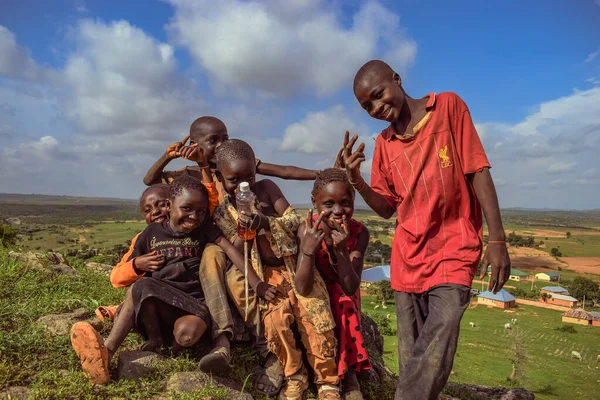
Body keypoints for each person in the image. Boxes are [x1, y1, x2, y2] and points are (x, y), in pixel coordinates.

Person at [345, 60, 511, 400]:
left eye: (378, 95)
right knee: (414, 363)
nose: (376, 108)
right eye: (367, 106)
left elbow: (477, 170)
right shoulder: (385, 145)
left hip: (455, 248)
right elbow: (387, 208)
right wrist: (356, 181)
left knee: (439, 338)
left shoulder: (447, 107)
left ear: (397, 79)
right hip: (408, 261)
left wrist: (497, 238)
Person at [70, 175, 278, 384]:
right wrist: (137, 264)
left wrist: (257, 284)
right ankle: (108, 351)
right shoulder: (151, 233)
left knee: (187, 336)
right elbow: (125, 272)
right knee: (141, 286)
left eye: (201, 211)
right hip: (159, 305)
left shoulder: (204, 229)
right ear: (170, 206)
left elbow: (231, 251)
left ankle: (171, 346)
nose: (194, 216)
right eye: (187, 208)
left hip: (194, 305)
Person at [211, 139, 340, 400]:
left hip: (296, 267)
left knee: (315, 318)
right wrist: (244, 228)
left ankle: (328, 382)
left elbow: (292, 219)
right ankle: (295, 376)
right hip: (266, 276)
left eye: (249, 176)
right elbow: (234, 248)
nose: (243, 184)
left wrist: (265, 221)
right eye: (234, 180)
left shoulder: (267, 188)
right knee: (276, 322)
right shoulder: (224, 211)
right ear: (220, 177)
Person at [295, 168, 371, 400]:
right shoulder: (307, 230)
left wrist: (342, 251)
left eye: (345, 203)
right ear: (314, 202)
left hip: (343, 289)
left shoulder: (359, 232)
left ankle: (348, 374)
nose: (338, 211)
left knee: (344, 301)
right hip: (314, 289)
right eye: (328, 203)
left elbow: (351, 286)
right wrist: (308, 250)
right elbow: (302, 287)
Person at [143, 116, 318, 199]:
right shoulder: (187, 175)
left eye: (225, 138)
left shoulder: (235, 162)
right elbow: (150, 180)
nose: (221, 144)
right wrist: (167, 156)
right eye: (213, 140)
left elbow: (285, 171)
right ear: (194, 144)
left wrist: (323, 173)